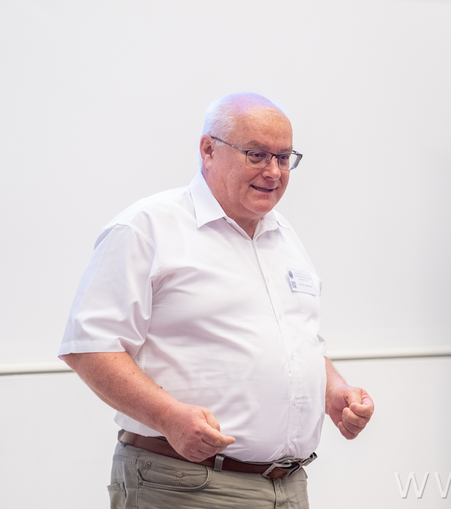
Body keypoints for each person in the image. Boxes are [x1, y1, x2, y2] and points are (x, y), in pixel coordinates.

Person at [59, 92, 373, 508]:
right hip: (185, 485)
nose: (273, 172)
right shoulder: (147, 227)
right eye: (257, 155)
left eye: (284, 158)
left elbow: (297, 340)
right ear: (208, 150)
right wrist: (168, 417)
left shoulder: (283, 236)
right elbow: (89, 347)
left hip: (288, 486)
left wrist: (334, 389)